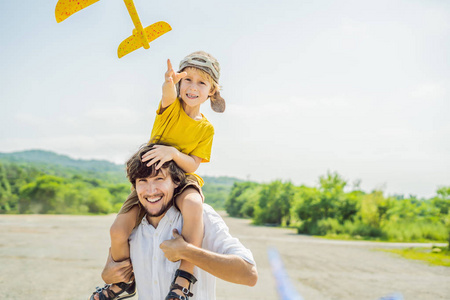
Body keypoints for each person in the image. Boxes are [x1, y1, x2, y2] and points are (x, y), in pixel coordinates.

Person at [90, 51, 226, 300]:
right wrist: (168, 82)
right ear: (179, 83)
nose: (193, 87)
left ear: (212, 92)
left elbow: (193, 164)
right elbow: (167, 95)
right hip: (152, 176)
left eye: (201, 82)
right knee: (118, 229)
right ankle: (124, 281)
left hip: (182, 177)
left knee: (194, 205)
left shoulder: (206, 128)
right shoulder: (171, 107)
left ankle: (184, 277)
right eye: (187, 80)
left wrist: (173, 153)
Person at [101, 144, 258, 299]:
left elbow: (249, 275)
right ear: (135, 186)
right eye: (143, 180)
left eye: (159, 178)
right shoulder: (130, 229)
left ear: (176, 181)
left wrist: (188, 252)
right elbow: (116, 274)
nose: (151, 190)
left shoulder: (203, 217)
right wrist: (109, 277)